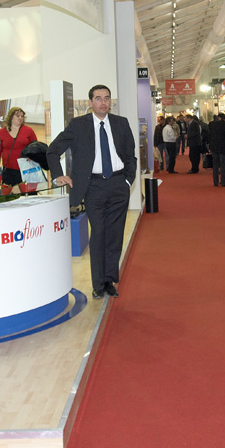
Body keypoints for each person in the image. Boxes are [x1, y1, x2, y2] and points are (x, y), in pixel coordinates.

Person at [47, 85, 137, 300]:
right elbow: (52, 150)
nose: (103, 102)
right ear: (90, 102)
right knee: (98, 233)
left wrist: (127, 180)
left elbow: (130, 155)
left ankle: (109, 281)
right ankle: (98, 284)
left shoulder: (121, 123)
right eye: (98, 98)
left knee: (115, 235)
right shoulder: (78, 125)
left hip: (118, 185)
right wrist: (58, 175)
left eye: (106, 98)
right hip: (93, 187)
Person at [0, 106, 37, 187]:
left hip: (26, 169)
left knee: (28, 191)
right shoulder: (1, 132)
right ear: (11, 117)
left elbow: (35, 147)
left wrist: (32, 156)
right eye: (17, 116)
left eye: (22, 116)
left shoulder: (28, 131)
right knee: (10, 193)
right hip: (9, 170)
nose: (20, 118)